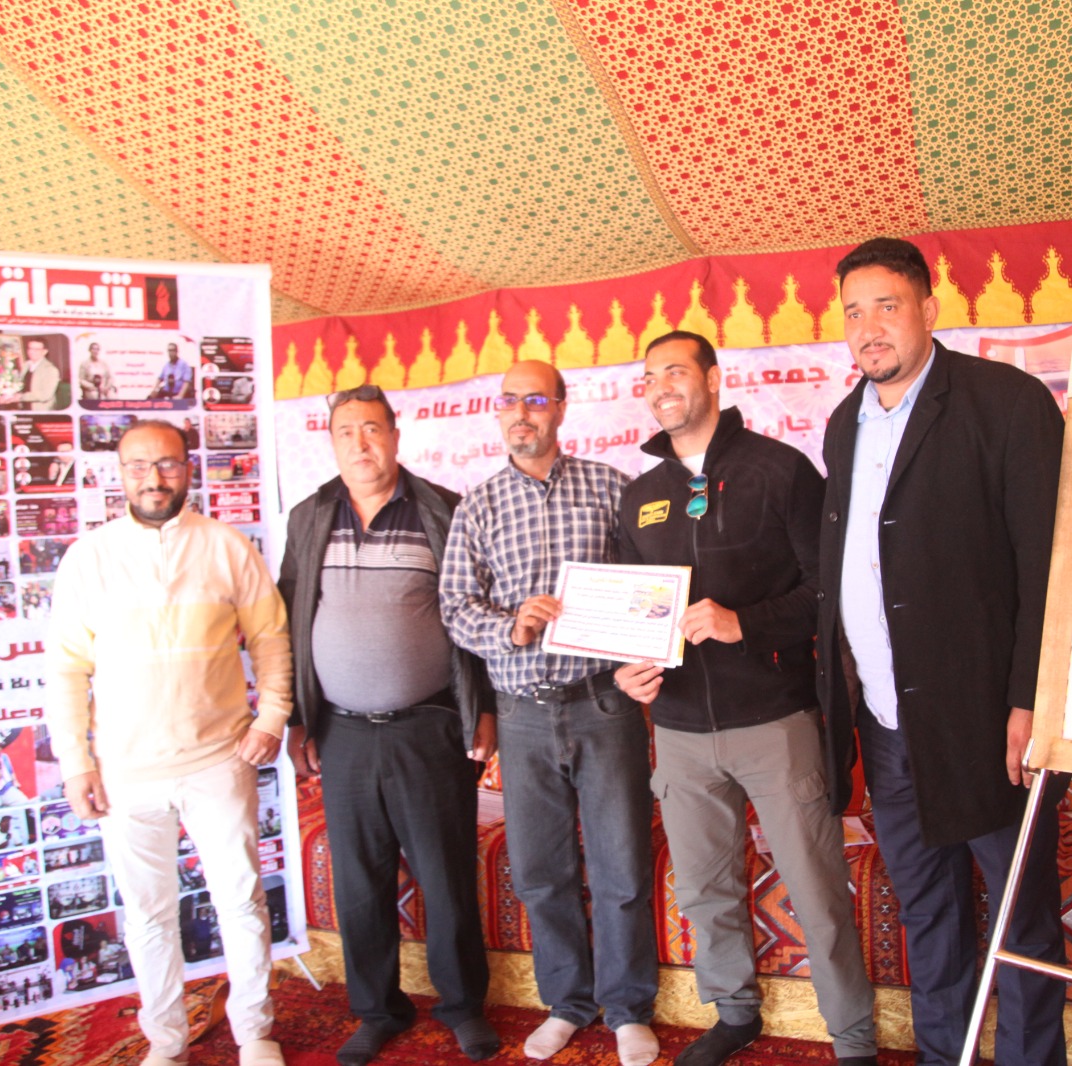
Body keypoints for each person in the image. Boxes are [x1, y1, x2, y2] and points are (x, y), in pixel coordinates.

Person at [815, 237, 1068, 1066]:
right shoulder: (844, 424)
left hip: (989, 724)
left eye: (886, 306)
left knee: (1020, 919)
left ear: (928, 309)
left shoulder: (1006, 403)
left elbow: (1048, 566)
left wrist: (1030, 700)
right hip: (891, 726)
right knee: (928, 912)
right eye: (854, 312)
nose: (869, 328)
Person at [613, 332, 877, 1066]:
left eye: (675, 371)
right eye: (649, 377)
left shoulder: (780, 471)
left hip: (775, 722)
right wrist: (627, 670)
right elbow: (633, 614)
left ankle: (853, 1038)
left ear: (713, 379)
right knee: (705, 890)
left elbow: (829, 592)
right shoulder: (639, 497)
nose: (661, 387)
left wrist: (744, 624)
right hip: (679, 732)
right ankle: (734, 1013)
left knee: (817, 892)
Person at [45, 419, 291, 1066]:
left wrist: (271, 718)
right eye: (138, 466)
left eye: (168, 465)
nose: (153, 479)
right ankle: (166, 1041)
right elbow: (66, 669)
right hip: (125, 772)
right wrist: (75, 764)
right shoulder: (89, 558)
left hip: (219, 760)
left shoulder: (227, 547)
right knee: (148, 914)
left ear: (189, 467)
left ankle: (255, 1033)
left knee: (240, 901)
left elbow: (270, 637)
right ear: (119, 474)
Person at [439, 361, 658, 1066]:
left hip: (603, 703)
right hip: (522, 714)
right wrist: (511, 625)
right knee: (541, 871)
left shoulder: (611, 488)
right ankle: (567, 1002)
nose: (521, 412)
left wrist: (637, 651)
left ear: (561, 408)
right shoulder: (478, 507)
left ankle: (627, 1008)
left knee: (621, 864)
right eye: (509, 400)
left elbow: (648, 588)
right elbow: (454, 608)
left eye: (535, 399)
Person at [279, 385, 500, 1066]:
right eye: (346, 431)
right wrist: (297, 719)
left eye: (372, 428)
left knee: (445, 874)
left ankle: (463, 1007)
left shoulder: (443, 510)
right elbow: (289, 616)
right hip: (341, 733)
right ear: (332, 442)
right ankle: (377, 1011)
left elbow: (477, 611)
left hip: (427, 727)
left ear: (396, 437)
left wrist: (484, 708)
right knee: (359, 881)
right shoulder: (310, 515)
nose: (361, 443)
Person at [15, 338, 62, 411]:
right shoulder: (25, 365)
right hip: (24, 408)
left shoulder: (50, 369)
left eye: (36, 349)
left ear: (45, 351)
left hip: (41, 410)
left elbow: (45, 395)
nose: (31, 352)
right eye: (30, 348)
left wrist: (21, 397)